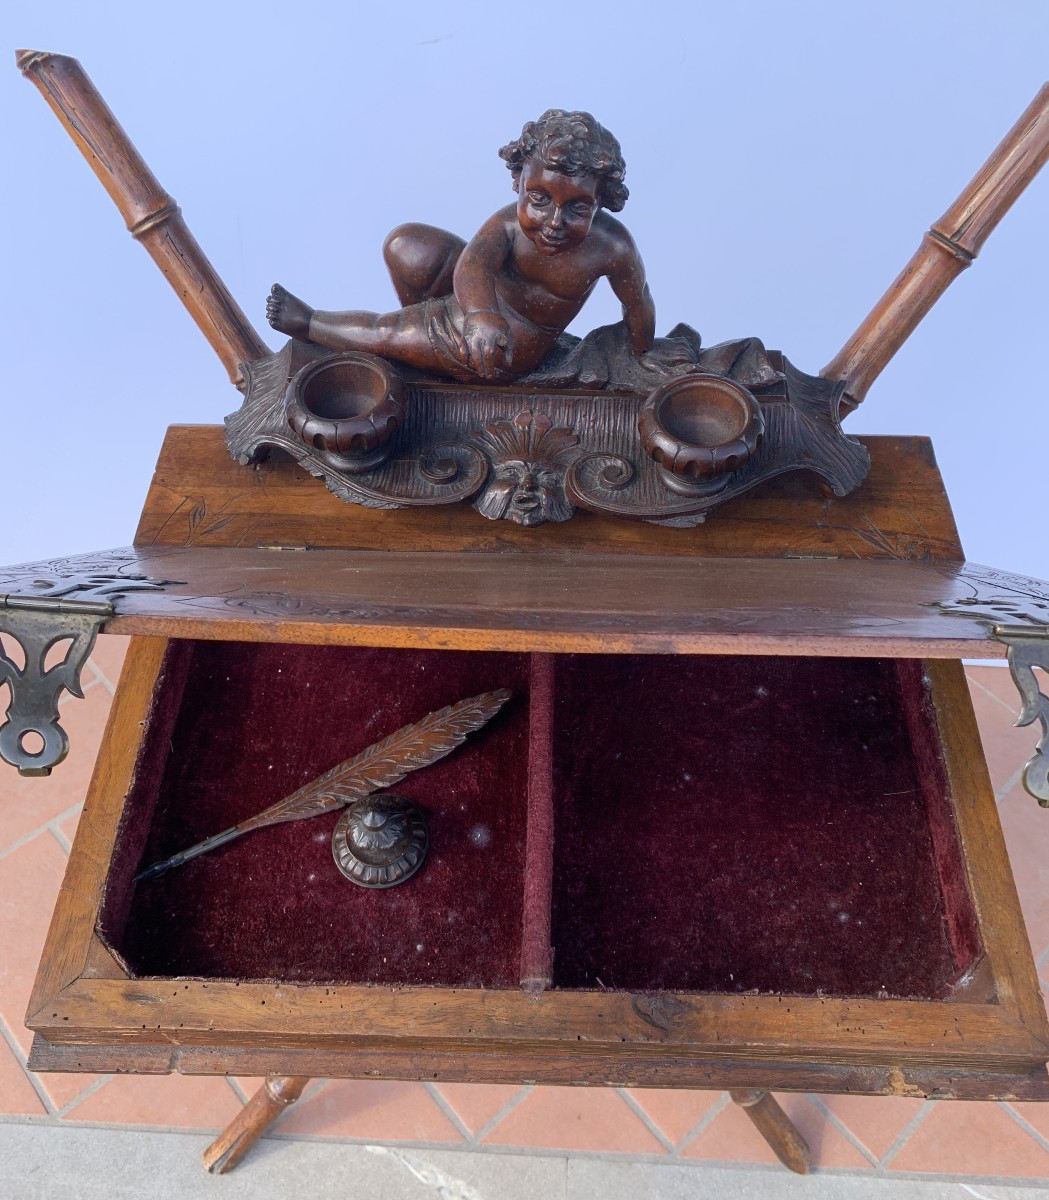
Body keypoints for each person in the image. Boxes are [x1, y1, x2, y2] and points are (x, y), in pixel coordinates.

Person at [266, 109, 655, 383]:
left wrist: (643, 353)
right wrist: (482, 314)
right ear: (518, 182)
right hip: (481, 312)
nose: (554, 221)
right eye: (538, 199)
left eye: (577, 208)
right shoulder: (507, 223)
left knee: (386, 332)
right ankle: (425, 346)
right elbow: (473, 265)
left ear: (601, 201)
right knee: (408, 245)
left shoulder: (613, 248)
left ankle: (310, 323)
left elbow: (637, 302)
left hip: (507, 349)